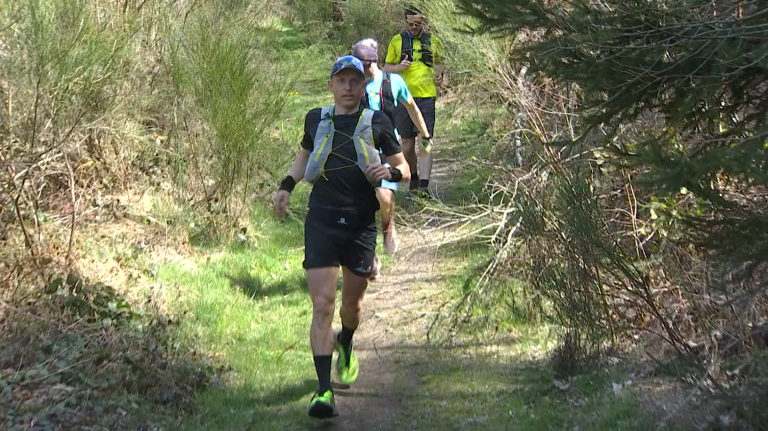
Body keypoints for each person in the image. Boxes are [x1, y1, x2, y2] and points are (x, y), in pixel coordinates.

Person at [274, 56, 410, 419]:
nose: (348, 87)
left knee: (352, 308)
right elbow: (303, 158)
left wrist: (390, 171)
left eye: (355, 81)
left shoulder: (377, 121)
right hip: (321, 220)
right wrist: (286, 186)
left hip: (360, 223)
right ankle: (323, 391)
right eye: (342, 81)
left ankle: (346, 341)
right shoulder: (315, 119)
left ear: (363, 85)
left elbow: (405, 170)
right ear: (331, 85)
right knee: (322, 305)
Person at [352, 38, 432, 255]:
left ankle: (388, 226)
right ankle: (367, 252)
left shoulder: (393, 82)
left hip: (388, 149)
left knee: (384, 197)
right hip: (360, 149)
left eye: (361, 66)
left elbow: (413, 108)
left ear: (370, 63)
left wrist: (424, 134)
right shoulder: (353, 86)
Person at [383, 7, 442, 195]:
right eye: (411, 24)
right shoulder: (397, 41)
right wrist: (399, 66)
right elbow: (385, 67)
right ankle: (414, 175)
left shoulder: (433, 41)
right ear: (406, 22)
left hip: (426, 97)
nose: (414, 27)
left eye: (418, 24)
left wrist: (442, 77)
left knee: (425, 141)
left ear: (424, 22)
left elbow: (441, 63)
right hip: (403, 98)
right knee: (407, 145)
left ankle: (424, 187)